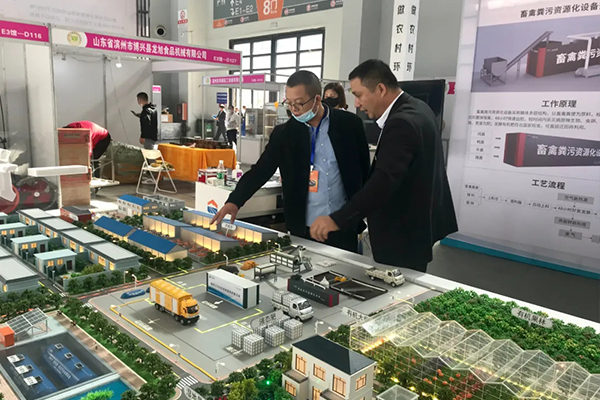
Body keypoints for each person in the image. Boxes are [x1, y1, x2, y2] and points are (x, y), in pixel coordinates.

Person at [310, 60, 458, 272]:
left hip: (402, 232)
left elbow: (383, 182)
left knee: (397, 286)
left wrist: (337, 219)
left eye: (359, 95)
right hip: (419, 224)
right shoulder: (419, 108)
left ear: (380, 89)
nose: (357, 104)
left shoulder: (401, 123)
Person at [211, 71, 370, 253]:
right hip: (303, 227)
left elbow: (364, 171)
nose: (294, 109)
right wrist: (234, 201)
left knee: (345, 270)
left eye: (299, 103)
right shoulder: (284, 134)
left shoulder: (349, 125)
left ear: (317, 100)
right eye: (289, 103)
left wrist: (359, 215)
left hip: (343, 225)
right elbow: (261, 170)